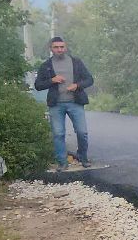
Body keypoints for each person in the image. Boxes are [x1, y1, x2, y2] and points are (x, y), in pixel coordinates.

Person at [33, 36, 94, 171]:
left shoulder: (76, 62)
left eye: (62, 47)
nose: (59, 49)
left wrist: (77, 85)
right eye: (56, 47)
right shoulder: (46, 65)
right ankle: (62, 162)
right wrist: (52, 80)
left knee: (82, 132)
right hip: (56, 104)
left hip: (75, 102)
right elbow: (38, 85)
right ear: (51, 49)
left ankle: (83, 157)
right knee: (58, 134)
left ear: (65, 47)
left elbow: (89, 79)